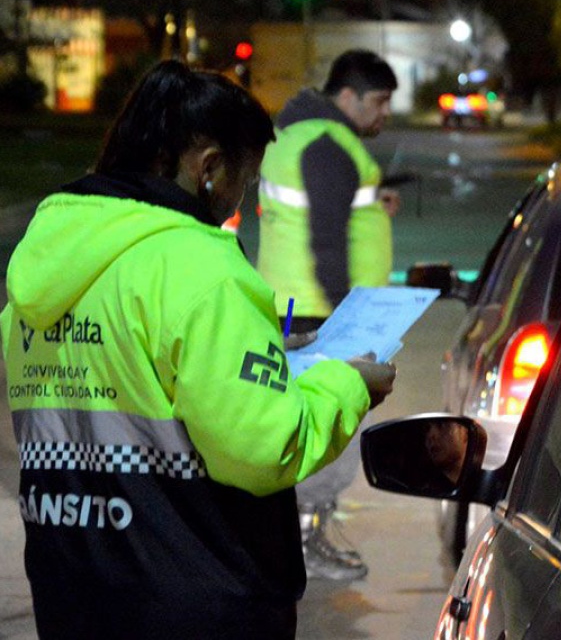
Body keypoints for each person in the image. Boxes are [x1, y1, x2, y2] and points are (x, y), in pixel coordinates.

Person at [0, 60, 395, 640]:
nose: (242, 195)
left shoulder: (40, 269)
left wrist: (257, 353)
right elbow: (265, 447)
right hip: (194, 599)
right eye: (246, 177)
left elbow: (133, 382)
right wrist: (349, 384)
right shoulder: (202, 268)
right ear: (209, 166)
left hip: (73, 592)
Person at [255, 49, 399, 580]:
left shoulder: (300, 136)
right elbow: (326, 241)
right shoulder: (328, 146)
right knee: (327, 429)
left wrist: (372, 206)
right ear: (348, 96)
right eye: (380, 101)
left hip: (296, 308)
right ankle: (304, 542)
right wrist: (349, 322)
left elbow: (325, 213)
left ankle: (298, 539)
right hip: (320, 314)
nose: (385, 113)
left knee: (305, 424)